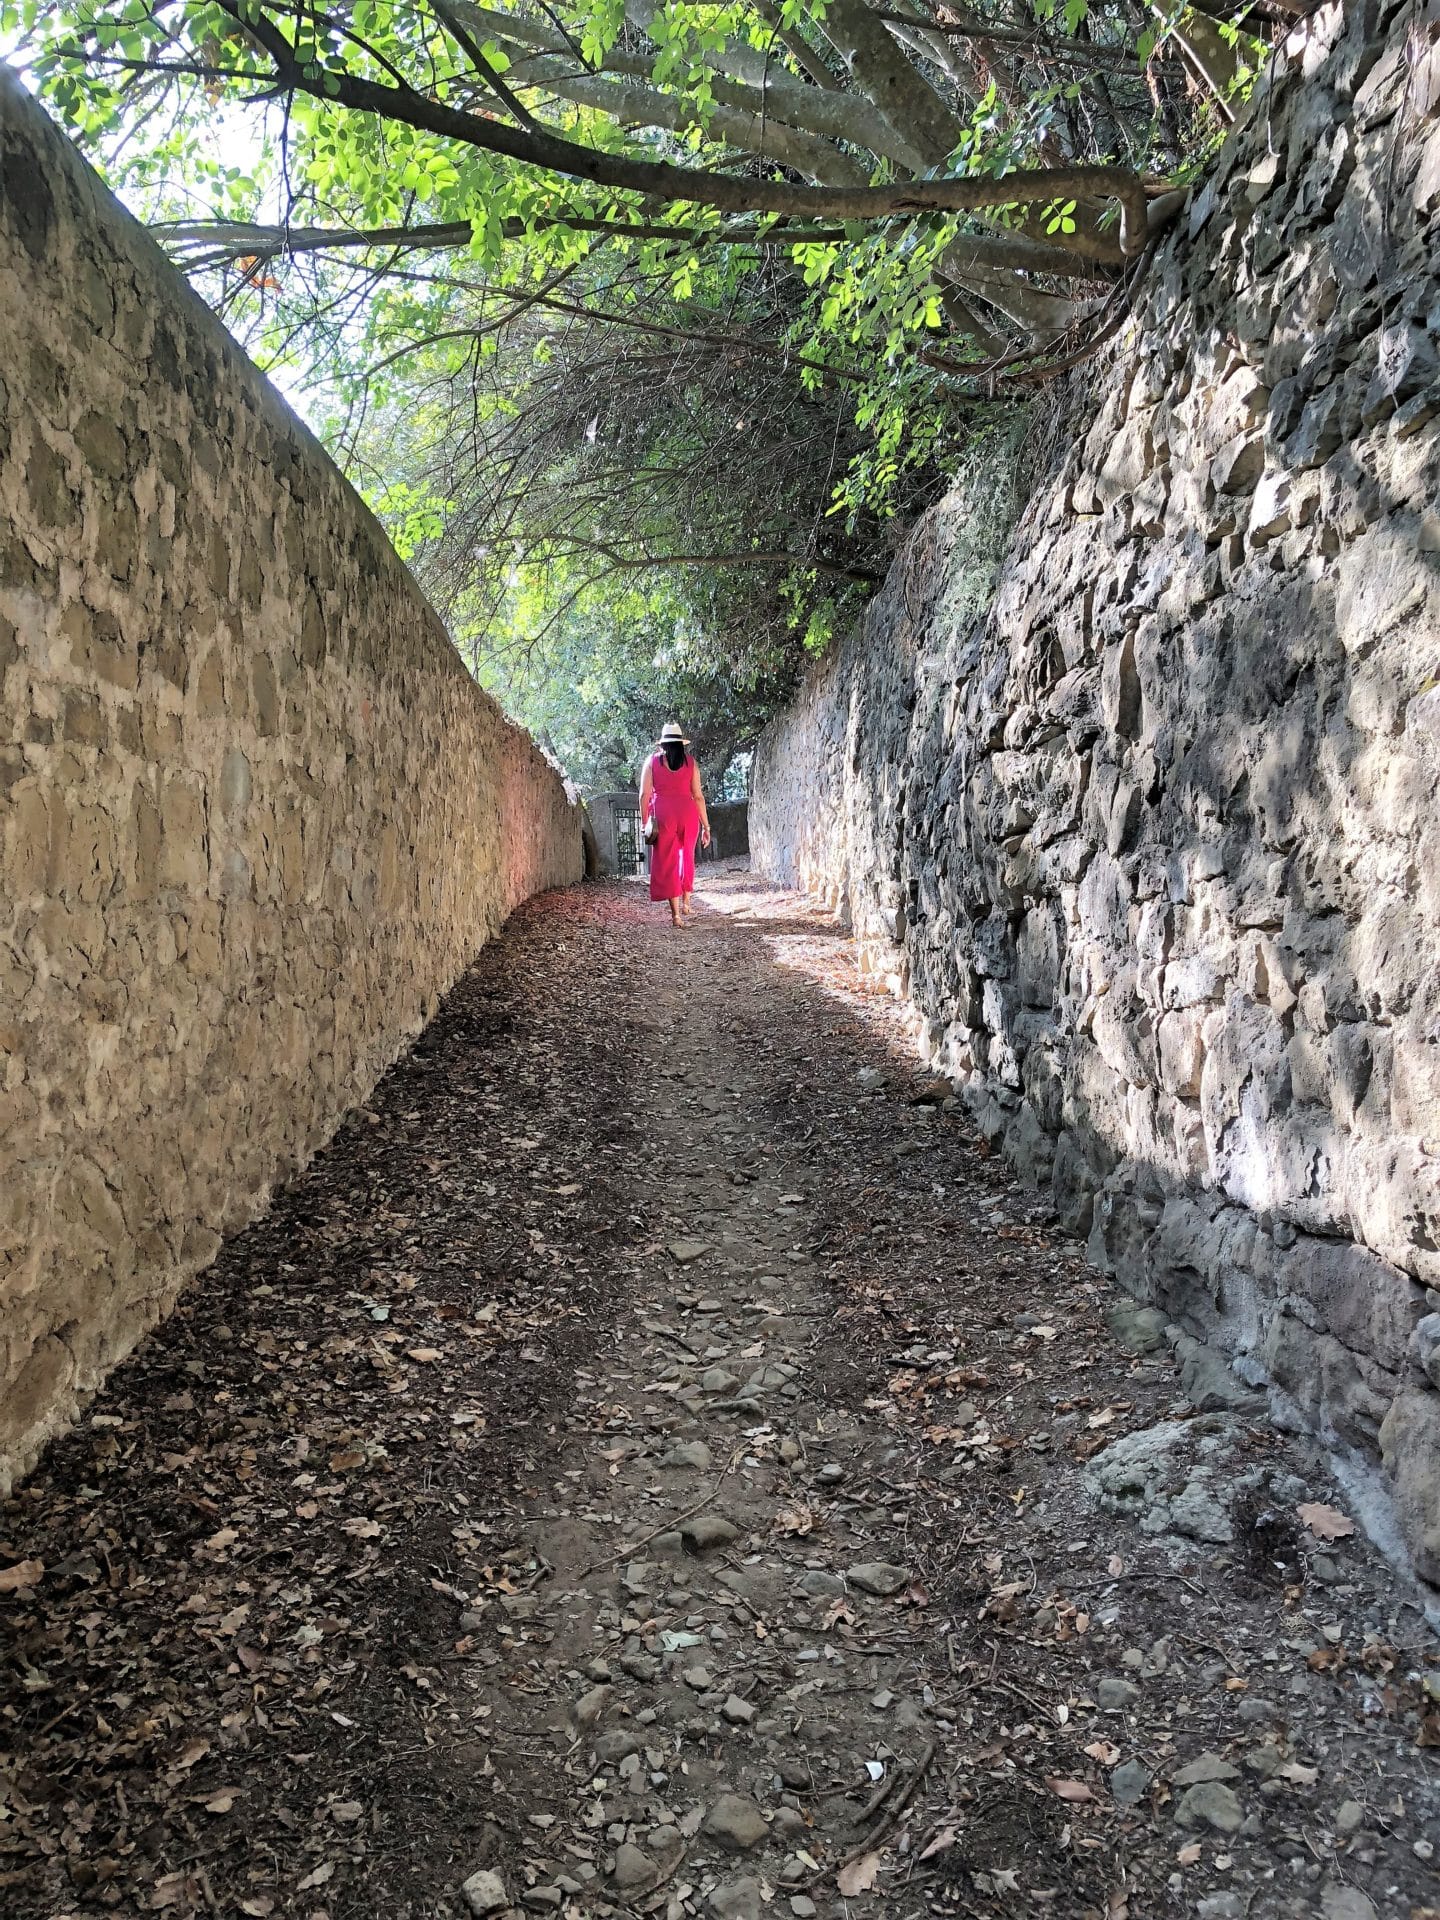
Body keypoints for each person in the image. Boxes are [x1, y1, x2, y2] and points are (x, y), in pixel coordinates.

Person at [640, 722, 711, 926]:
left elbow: (644, 794)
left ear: (663, 744)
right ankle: (687, 903)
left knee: (668, 860)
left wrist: (645, 822)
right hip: (687, 813)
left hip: (663, 814)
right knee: (686, 856)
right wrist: (706, 826)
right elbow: (698, 796)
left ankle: (676, 915)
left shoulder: (652, 762)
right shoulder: (691, 763)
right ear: (681, 744)